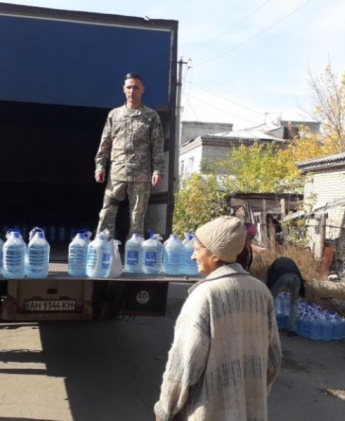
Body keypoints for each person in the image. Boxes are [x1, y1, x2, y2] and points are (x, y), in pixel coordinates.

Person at [154, 216, 282, 421]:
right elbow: (273, 360)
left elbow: (184, 366)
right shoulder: (261, 292)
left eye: (197, 249)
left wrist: (165, 410)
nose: (192, 257)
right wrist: (250, 396)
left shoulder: (205, 295)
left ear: (214, 254)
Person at [94, 72, 165, 239]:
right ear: (123, 90)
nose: (132, 90)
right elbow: (105, 142)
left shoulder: (151, 116)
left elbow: (158, 145)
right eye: (129, 87)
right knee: (106, 213)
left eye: (135, 87)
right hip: (117, 173)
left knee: (137, 219)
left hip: (141, 176)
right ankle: (102, 248)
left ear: (142, 90)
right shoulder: (115, 115)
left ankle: (134, 255)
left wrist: (158, 171)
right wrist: (100, 166)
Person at [266, 256, 305, 338]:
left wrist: (268, 288)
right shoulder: (290, 262)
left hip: (283, 277)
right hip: (296, 278)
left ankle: (268, 325)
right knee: (294, 302)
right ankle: (292, 329)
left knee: (270, 299)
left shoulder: (275, 264)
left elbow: (270, 278)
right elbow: (299, 274)